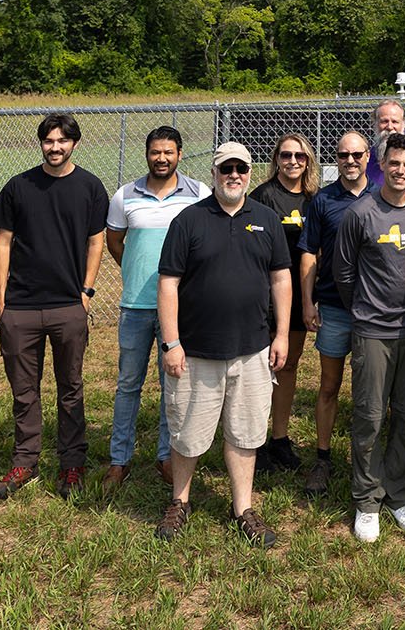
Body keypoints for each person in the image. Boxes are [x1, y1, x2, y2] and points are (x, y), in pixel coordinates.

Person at [153, 142, 291, 547]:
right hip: (195, 350)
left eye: (241, 168)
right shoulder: (189, 220)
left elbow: (280, 279)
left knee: (245, 432)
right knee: (187, 432)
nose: (234, 174)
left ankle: (242, 508)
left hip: (251, 350)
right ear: (214, 172)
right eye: (226, 168)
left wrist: (281, 335)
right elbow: (169, 284)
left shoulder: (266, 219)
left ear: (251, 173)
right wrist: (171, 343)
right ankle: (180, 501)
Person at [0, 113, 107, 501]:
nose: (55, 147)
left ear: (75, 144)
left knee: (70, 387)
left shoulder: (89, 187)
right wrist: (0, 295)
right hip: (20, 307)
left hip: (68, 305)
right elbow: (2, 241)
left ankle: (72, 463)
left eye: (62, 141)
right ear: (41, 144)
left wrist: (86, 291)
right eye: (48, 141)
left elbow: (96, 241)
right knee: (24, 390)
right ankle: (26, 461)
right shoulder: (19, 186)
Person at [333, 133, 405, 542]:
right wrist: (366, 308)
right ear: (383, 165)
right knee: (370, 417)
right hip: (372, 331)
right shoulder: (361, 214)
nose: (400, 171)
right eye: (394, 164)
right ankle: (367, 499)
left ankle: (399, 495)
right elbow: (344, 273)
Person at [102, 125, 209, 491]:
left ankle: (167, 456)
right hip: (135, 306)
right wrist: (136, 269)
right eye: (154, 152)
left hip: (179, 310)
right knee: (128, 384)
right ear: (146, 154)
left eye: (168, 152)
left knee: (173, 386)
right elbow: (115, 240)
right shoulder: (125, 195)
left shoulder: (199, 194)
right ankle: (120, 460)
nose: (161, 158)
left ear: (180, 153)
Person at [296, 130, 371, 496]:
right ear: (335, 159)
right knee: (329, 386)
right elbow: (309, 253)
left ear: (368, 156)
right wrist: (308, 302)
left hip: (374, 313)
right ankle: (323, 458)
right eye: (343, 155)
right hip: (334, 309)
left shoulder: (385, 196)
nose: (350, 161)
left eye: (357, 154)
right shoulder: (323, 201)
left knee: (369, 392)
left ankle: (366, 459)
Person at [249, 131, 318, 472]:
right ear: (276, 158)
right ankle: (254, 441)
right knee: (259, 370)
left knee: (287, 365)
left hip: (298, 296)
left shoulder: (313, 199)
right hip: (264, 296)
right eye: (287, 155)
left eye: (300, 156)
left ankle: (279, 438)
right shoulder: (262, 197)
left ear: (309, 161)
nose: (293, 162)